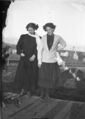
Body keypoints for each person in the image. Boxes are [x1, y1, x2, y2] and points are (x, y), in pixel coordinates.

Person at [38, 23, 66, 99]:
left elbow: (64, 44)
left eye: (50, 29)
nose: (48, 31)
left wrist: (57, 49)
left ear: (53, 29)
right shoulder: (43, 37)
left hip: (52, 61)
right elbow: (40, 49)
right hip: (44, 61)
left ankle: (47, 94)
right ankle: (42, 93)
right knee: (43, 78)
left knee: (50, 79)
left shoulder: (58, 37)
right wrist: (39, 61)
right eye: (47, 30)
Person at [14, 23, 41, 96]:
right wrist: (20, 52)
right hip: (24, 58)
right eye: (29, 30)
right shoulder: (23, 36)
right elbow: (18, 46)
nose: (30, 31)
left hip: (33, 59)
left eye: (32, 30)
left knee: (31, 75)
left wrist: (34, 55)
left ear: (35, 29)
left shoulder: (38, 38)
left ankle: (30, 90)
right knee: (23, 74)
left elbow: (39, 49)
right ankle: (23, 90)